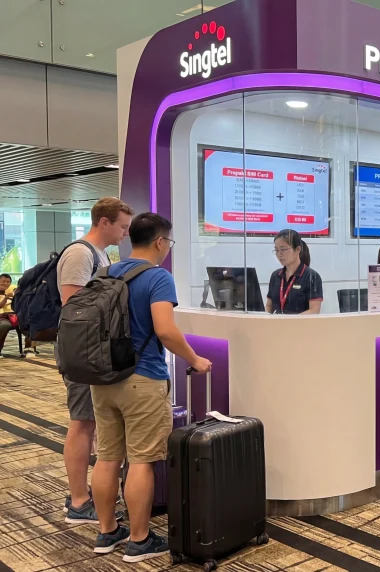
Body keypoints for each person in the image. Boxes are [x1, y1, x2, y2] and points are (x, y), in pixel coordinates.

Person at [90, 213, 212, 562]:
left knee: (108, 456)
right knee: (141, 461)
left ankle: (108, 531)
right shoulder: (158, 277)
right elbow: (166, 330)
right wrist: (195, 358)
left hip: (103, 378)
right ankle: (140, 540)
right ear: (160, 242)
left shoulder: (106, 272)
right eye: (168, 243)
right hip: (142, 379)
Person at [56, 197, 134, 524]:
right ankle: (77, 501)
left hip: (93, 350)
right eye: (122, 227)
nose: (125, 234)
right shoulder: (79, 253)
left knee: (91, 422)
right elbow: (74, 307)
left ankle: (84, 495)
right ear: (105, 222)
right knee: (83, 422)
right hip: (82, 352)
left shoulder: (100, 254)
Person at [265, 229, 323, 315]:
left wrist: (289, 323)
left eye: (283, 249)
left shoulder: (311, 276)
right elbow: (269, 307)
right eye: (276, 250)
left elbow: (314, 311)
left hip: (300, 326)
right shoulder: (275, 276)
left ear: (297, 250)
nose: (279, 254)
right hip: (276, 326)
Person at [0, 273, 13, 358]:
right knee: (4, 325)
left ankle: (28, 348)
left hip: (12, 317)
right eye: (3, 281)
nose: (5, 283)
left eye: (8, 282)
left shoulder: (11, 293)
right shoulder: (6, 296)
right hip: (2, 317)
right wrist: (6, 298)